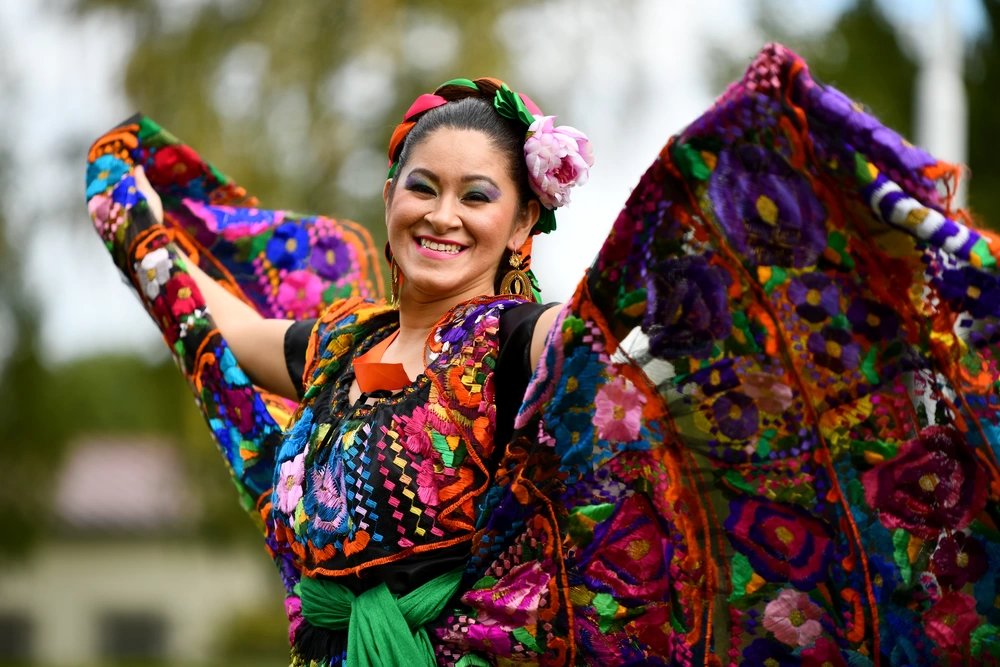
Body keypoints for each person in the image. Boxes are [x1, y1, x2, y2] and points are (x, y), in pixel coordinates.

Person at [87, 46, 1000, 666]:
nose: (443, 214)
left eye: (477, 195)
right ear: (391, 194)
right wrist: (138, 226)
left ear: (522, 220)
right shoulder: (338, 344)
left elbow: (633, 346)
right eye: (424, 187)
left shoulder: (526, 340)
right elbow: (223, 329)